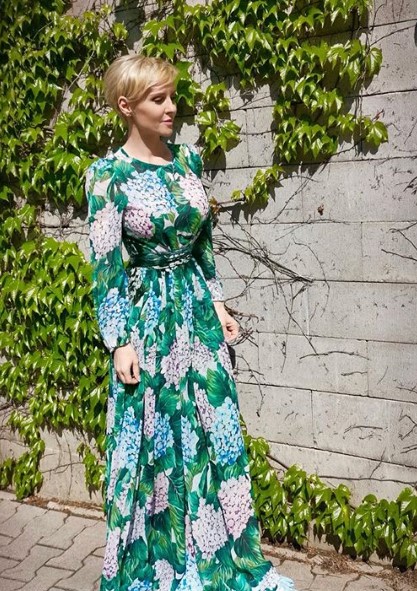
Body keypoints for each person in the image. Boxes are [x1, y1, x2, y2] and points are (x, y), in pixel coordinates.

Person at [85, 54, 298, 591]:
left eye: (172, 96)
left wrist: (220, 304)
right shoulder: (107, 176)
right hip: (148, 321)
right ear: (126, 106)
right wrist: (118, 341)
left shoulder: (188, 161)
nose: (171, 107)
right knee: (152, 436)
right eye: (158, 99)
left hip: (197, 312)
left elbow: (203, 245)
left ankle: (223, 557)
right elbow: (106, 265)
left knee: (213, 428)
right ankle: (156, 564)